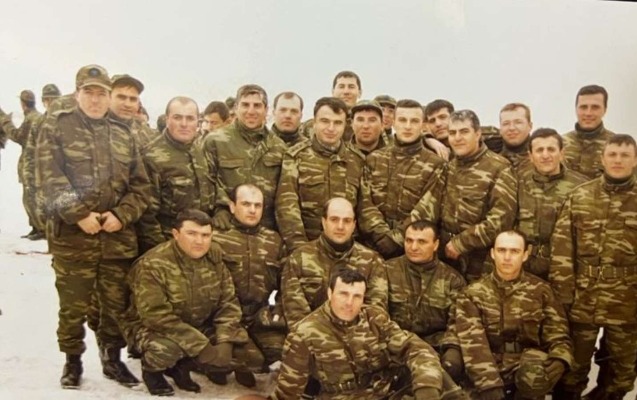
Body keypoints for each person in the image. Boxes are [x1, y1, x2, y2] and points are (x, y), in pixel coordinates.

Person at [36, 64, 151, 389]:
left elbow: (140, 187)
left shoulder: (124, 133)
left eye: (102, 93)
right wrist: (79, 215)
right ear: (78, 93)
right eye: (89, 92)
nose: (96, 99)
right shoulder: (58, 127)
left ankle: (112, 359)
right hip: (74, 239)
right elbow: (49, 178)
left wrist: (121, 215)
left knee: (115, 306)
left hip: (116, 239)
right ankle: (72, 361)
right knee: (73, 306)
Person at [123, 209, 248, 396]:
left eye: (205, 235)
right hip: (152, 328)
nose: (199, 241)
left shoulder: (215, 260)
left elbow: (228, 303)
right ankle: (152, 372)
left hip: (197, 323)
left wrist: (225, 340)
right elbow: (155, 316)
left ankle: (184, 366)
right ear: (176, 234)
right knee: (166, 350)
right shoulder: (153, 264)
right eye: (192, 234)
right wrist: (201, 345)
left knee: (246, 354)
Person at [550, 134, 637, 399]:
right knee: (572, 368)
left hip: (627, 300)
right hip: (583, 297)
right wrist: (563, 297)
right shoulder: (581, 196)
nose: (618, 160)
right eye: (612, 154)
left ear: (635, 160)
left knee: (621, 373)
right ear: (603, 158)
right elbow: (562, 249)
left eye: (625, 155)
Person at [271, 268, 444, 399]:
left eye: (357, 296)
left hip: (386, 392)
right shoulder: (304, 333)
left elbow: (415, 347)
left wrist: (427, 388)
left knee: (438, 378)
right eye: (343, 294)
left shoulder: (374, 318)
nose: (349, 303)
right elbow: (288, 393)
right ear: (330, 293)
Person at [456, 230, 573, 400]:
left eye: (514, 251)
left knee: (533, 376)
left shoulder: (541, 291)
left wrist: (560, 358)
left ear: (525, 255)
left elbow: (558, 335)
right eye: (501, 250)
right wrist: (489, 385)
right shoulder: (472, 294)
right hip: (487, 365)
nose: (507, 257)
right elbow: (473, 344)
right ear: (492, 253)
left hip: (525, 367)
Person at [211, 184, 287, 377]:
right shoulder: (216, 237)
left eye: (257, 205)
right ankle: (213, 364)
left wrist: (278, 307)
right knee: (252, 361)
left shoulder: (274, 241)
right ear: (232, 206)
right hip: (223, 317)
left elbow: (287, 282)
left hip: (258, 316)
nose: (252, 210)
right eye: (246, 204)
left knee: (282, 352)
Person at [435, 110, 517, 282]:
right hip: (445, 258)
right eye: (452, 133)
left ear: (478, 134)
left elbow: (501, 219)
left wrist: (462, 242)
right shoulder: (450, 167)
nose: (458, 138)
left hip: (478, 263)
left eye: (464, 132)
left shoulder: (499, 168)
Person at [359, 99, 446, 259]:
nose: (407, 126)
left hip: (413, 248)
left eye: (414, 121)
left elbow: (428, 208)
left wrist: (397, 238)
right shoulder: (374, 159)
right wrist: (380, 234)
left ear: (423, 125)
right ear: (393, 122)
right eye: (402, 120)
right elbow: (364, 201)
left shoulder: (435, 164)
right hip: (372, 245)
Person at [275, 97, 366, 251]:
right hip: (307, 245)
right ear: (314, 122)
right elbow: (286, 205)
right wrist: (300, 248)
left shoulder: (357, 160)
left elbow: (364, 208)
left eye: (337, 123)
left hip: (347, 249)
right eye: (325, 121)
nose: (331, 128)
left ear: (345, 125)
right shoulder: (296, 156)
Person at [281, 197, 388, 328]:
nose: (340, 226)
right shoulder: (299, 259)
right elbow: (295, 314)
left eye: (347, 221)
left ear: (354, 225)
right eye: (334, 219)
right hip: (311, 336)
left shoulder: (372, 261)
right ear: (324, 221)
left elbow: (375, 313)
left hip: (357, 337)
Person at [386, 220, 466, 383]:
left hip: (435, 348)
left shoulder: (452, 279)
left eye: (421, 242)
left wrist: (452, 349)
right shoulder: (385, 270)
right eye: (409, 240)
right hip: (396, 346)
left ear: (435, 244)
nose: (413, 247)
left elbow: (457, 322)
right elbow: (376, 311)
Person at [202, 84, 287, 232]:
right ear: (236, 108)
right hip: (227, 227)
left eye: (257, 106)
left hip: (265, 230)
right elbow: (206, 180)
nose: (251, 111)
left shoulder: (278, 146)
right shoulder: (215, 141)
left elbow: (284, 191)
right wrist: (220, 206)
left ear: (266, 110)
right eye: (245, 105)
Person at [137, 96, 217, 253]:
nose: (184, 124)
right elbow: (146, 217)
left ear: (198, 121)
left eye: (190, 118)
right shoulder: (151, 157)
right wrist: (163, 252)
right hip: (168, 246)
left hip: (201, 244)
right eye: (177, 117)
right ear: (167, 119)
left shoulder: (202, 151)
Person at [515, 128, 587, 280]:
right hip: (522, 266)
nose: (545, 155)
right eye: (539, 150)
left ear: (562, 153)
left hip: (564, 269)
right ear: (530, 156)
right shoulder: (518, 182)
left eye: (551, 149)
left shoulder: (581, 187)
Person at [0, 89, 43, 238]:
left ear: (23, 103)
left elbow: (18, 137)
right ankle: (36, 228)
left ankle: (40, 229)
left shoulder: (31, 118)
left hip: (31, 165)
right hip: (35, 164)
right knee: (31, 197)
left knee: (31, 198)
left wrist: (6, 123)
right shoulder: (37, 117)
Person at [562, 84, 615, 179]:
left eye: (595, 107)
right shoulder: (559, 145)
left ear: (605, 110)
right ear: (576, 109)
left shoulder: (617, 146)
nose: (588, 113)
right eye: (583, 107)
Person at [109, 74, 159, 148]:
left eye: (133, 99)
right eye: (121, 97)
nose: (127, 104)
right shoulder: (95, 129)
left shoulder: (149, 136)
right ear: (108, 98)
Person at [498, 103, 533, 172]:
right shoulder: (491, 162)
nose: (512, 128)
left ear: (530, 126)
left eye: (518, 122)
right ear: (500, 129)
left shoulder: (542, 159)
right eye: (506, 123)